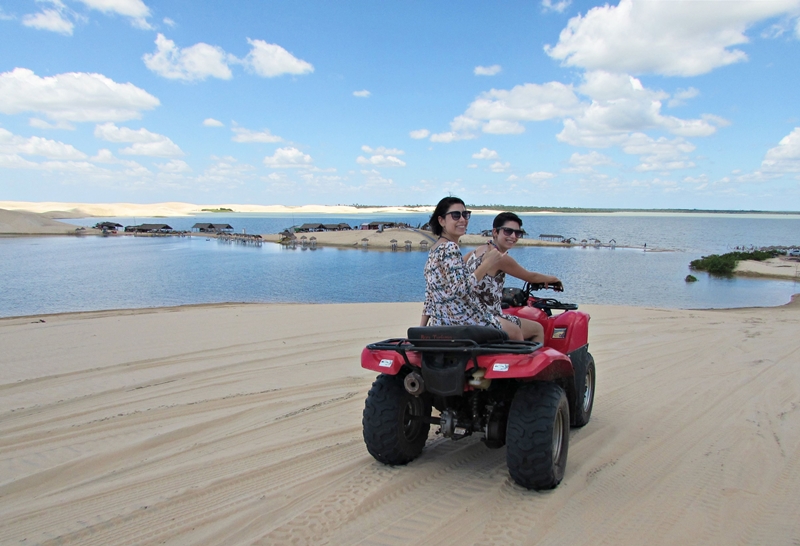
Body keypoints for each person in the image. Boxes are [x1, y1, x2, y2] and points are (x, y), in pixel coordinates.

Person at [420, 197, 525, 340]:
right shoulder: (450, 247)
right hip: (464, 320)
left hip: (440, 322)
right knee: (516, 331)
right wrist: (488, 263)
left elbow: (430, 296)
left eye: (465, 214)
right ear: (441, 220)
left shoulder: (435, 249)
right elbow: (461, 290)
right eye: (456, 215)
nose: (462, 219)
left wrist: (422, 330)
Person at [464, 212, 562, 343]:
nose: (513, 236)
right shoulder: (500, 258)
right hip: (487, 317)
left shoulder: (475, 251)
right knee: (537, 329)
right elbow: (530, 276)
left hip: (468, 314)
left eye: (518, 233)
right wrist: (554, 279)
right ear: (495, 232)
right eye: (508, 231)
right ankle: (526, 362)